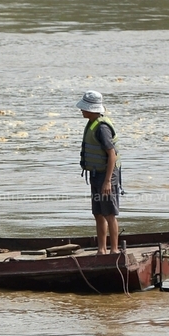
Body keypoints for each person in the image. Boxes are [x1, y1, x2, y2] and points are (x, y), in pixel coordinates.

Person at [76, 90, 121, 255]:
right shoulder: (91, 123)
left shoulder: (102, 127)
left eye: (84, 108)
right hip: (95, 175)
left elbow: (112, 154)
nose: (81, 110)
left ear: (92, 109)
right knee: (98, 213)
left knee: (109, 213)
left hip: (106, 175)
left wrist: (108, 181)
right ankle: (101, 250)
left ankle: (114, 250)